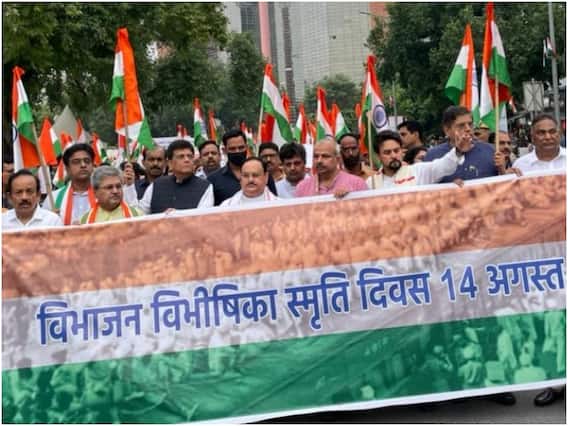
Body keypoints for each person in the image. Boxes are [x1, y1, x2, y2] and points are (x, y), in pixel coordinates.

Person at [134, 139, 213, 214]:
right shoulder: (156, 185)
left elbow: (203, 217)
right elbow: (139, 213)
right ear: (170, 163)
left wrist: (178, 216)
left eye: (190, 156)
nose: (187, 160)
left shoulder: (205, 187)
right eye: (181, 157)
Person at [366, 130, 465, 189]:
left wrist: (458, 150)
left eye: (396, 150)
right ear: (378, 156)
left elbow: (443, 166)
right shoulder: (371, 183)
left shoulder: (417, 172)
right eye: (387, 152)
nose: (394, 155)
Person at [423, 106, 498, 182]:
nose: (468, 129)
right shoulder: (433, 155)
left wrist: (503, 170)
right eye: (461, 125)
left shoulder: (490, 151)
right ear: (447, 130)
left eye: (470, 124)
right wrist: (450, 187)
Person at [208, 129, 277, 205]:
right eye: (232, 149)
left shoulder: (262, 173)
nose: (237, 151)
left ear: (246, 147)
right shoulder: (213, 180)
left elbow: (275, 203)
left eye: (241, 148)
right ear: (224, 150)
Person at [295, 137, 368, 197]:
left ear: (338, 159)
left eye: (325, 156)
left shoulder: (356, 184)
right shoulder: (302, 188)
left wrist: (350, 197)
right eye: (316, 156)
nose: (319, 161)